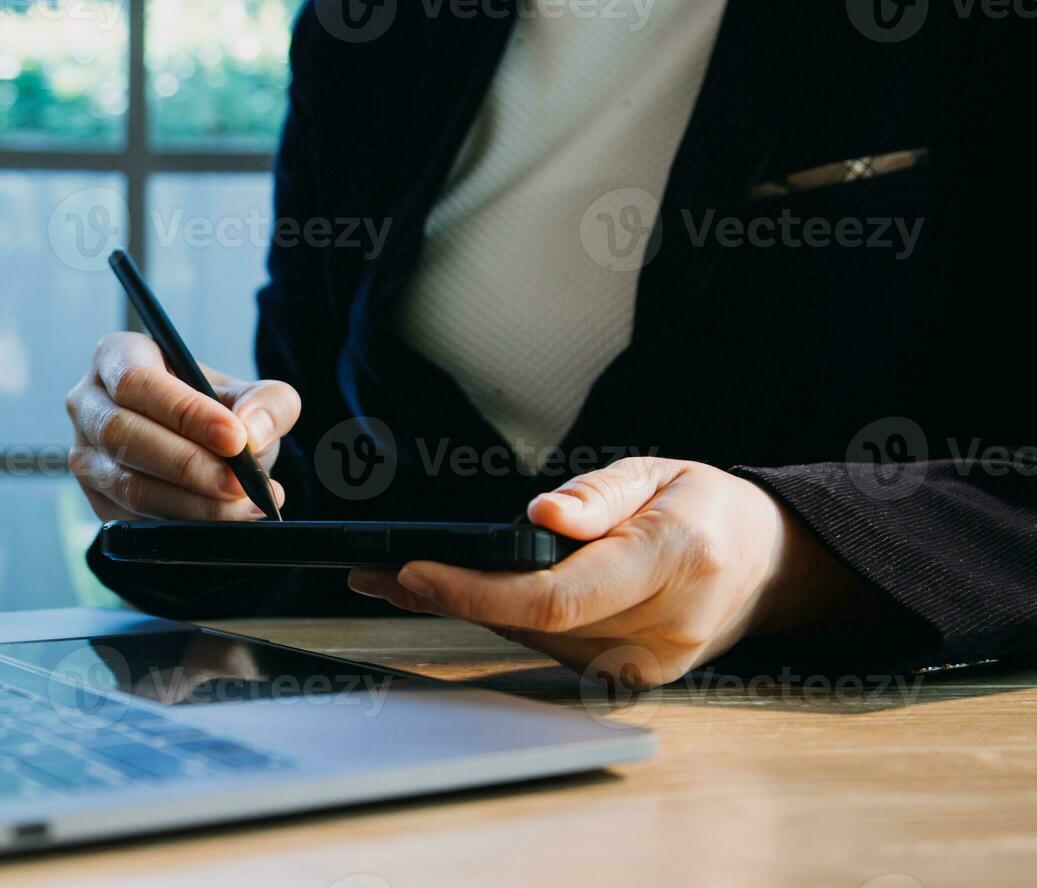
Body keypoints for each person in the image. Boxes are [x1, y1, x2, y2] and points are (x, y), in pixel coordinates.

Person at [65, 0, 1035, 686]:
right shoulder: (365, 31)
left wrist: (782, 554)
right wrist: (202, 477)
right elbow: (321, 472)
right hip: (405, 768)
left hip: (836, 786)